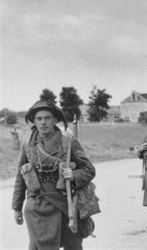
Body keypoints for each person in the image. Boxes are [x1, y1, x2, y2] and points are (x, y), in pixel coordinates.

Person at [12, 100, 96, 250]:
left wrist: (74, 175)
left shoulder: (68, 142)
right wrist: (17, 207)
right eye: (39, 119)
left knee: (73, 245)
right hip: (37, 205)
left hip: (64, 204)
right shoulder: (28, 145)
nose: (43, 123)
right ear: (34, 122)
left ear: (55, 120)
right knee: (38, 246)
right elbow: (21, 177)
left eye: (47, 118)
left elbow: (89, 169)